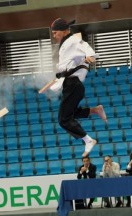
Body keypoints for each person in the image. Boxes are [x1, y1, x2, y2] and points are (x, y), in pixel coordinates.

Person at [50, 18, 107, 157]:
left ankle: (88, 140)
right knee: (70, 114)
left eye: (55, 32)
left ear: (64, 31)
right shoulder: (65, 43)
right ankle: (95, 110)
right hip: (70, 84)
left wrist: (90, 56)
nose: (54, 35)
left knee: (63, 119)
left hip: (73, 84)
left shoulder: (74, 40)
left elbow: (87, 48)